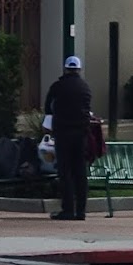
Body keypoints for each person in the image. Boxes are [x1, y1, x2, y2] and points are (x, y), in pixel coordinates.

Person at [44, 56, 92, 221]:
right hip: (81, 134)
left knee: (65, 172)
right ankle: (81, 210)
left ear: (65, 69)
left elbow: (48, 107)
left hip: (63, 133)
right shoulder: (85, 87)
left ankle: (68, 209)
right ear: (78, 69)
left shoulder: (58, 87)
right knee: (80, 172)